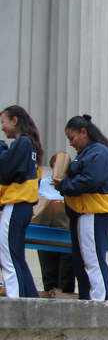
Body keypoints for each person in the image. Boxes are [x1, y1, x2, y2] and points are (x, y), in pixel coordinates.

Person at [54, 115, 108, 301]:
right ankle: (90, 300)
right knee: (86, 261)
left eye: (72, 138)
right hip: (88, 212)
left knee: (92, 261)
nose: (71, 143)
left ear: (83, 132)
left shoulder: (99, 152)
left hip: (95, 211)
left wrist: (64, 185)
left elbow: (90, 180)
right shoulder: (93, 152)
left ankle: (98, 302)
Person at [0, 105, 42, 298]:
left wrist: (1, 148)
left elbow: (8, 171)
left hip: (16, 204)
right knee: (17, 257)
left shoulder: (22, 143)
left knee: (7, 256)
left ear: (14, 120)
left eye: (3, 122)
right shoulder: (30, 144)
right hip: (24, 206)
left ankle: (14, 303)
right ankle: (30, 301)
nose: (2, 127)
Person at [32, 152, 75, 293]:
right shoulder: (42, 184)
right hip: (45, 232)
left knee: (66, 273)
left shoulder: (71, 184)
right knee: (48, 272)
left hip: (66, 233)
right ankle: (49, 296)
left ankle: (65, 299)